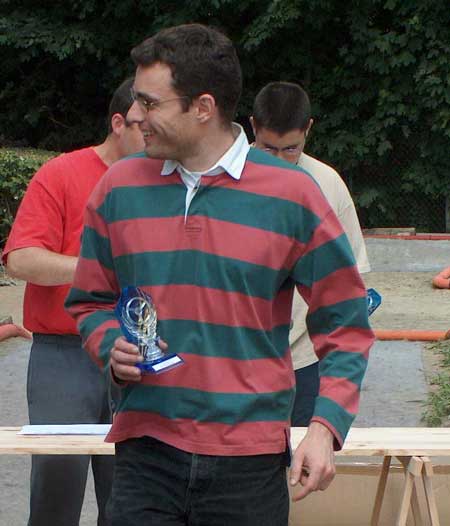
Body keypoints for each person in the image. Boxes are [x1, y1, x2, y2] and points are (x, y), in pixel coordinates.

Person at [65, 24, 374, 526]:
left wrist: (325, 427)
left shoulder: (293, 195)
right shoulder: (118, 187)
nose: (135, 114)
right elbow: (90, 300)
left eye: (150, 102)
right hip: (145, 453)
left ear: (203, 107)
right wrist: (109, 345)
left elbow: (346, 323)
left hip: (248, 463)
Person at [2, 77, 144, 526]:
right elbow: (20, 258)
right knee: (56, 486)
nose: (156, 137)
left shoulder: (165, 180)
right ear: (118, 123)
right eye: (145, 127)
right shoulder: (61, 174)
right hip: (64, 351)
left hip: (138, 349)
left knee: (132, 492)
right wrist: (93, 267)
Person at [251, 81, 371, 426]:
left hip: (306, 359)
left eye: (290, 149)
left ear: (308, 130)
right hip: (244, 361)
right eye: (268, 149)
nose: (279, 161)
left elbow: (351, 281)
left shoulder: (328, 184)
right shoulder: (227, 181)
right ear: (253, 127)